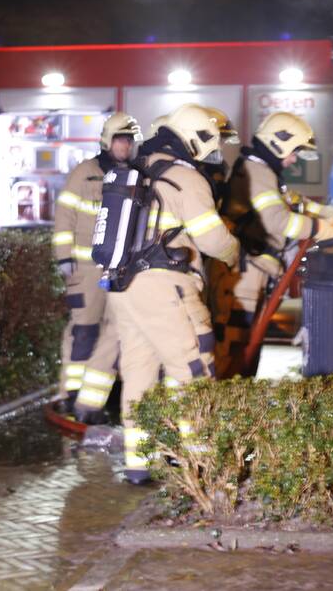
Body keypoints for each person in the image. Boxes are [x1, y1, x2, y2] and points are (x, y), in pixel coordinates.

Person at [105, 103, 239, 485]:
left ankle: (139, 461)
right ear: (197, 140)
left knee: (138, 371)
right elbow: (213, 241)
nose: (214, 153)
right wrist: (235, 253)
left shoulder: (137, 170)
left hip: (123, 286)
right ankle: (200, 462)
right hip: (164, 287)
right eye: (212, 144)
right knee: (192, 367)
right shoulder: (185, 178)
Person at [210, 111, 333, 378]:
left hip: (251, 271)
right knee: (236, 345)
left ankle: (236, 401)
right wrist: (319, 228)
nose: (294, 159)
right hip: (242, 276)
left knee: (247, 343)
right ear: (278, 142)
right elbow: (276, 220)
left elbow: (295, 202)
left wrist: (330, 213)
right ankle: (224, 406)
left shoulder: (262, 171)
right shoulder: (257, 172)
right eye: (294, 151)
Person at [51, 112, 135, 421]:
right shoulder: (84, 174)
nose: (125, 147)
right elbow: (64, 218)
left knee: (115, 333)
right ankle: (69, 394)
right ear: (106, 140)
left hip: (117, 271)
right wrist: (64, 257)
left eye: (128, 141)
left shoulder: (132, 176)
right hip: (84, 270)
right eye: (120, 140)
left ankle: (94, 396)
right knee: (83, 331)